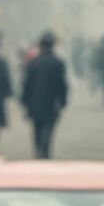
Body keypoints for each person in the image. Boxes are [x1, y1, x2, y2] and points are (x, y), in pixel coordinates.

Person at [20, 30, 68, 159]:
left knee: (36, 129)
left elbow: (26, 85)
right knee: (48, 130)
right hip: (51, 103)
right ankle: (45, 152)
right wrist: (63, 101)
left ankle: (38, 151)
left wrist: (24, 101)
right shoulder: (58, 63)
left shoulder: (33, 63)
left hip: (34, 103)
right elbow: (61, 85)